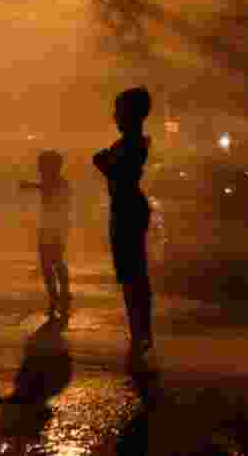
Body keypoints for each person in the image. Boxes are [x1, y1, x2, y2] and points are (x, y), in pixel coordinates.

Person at [94, 87, 154, 371]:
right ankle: (140, 334)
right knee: (131, 275)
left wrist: (104, 164)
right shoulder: (130, 143)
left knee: (132, 275)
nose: (114, 116)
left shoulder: (132, 144)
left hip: (127, 208)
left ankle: (141, 335)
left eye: (118, 110)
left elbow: (123, 175)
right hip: (126, 207)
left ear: (131, 114)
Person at [20, 150, 73, 317]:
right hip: (48, 228)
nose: (40, 169)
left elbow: (51, 191)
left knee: (55, 263)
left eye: (42, 165)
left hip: (56, 228)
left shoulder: (59, 183)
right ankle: (56, 298)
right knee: (48, 265)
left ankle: (62, 297)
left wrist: (30, 186)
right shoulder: (53, 182)